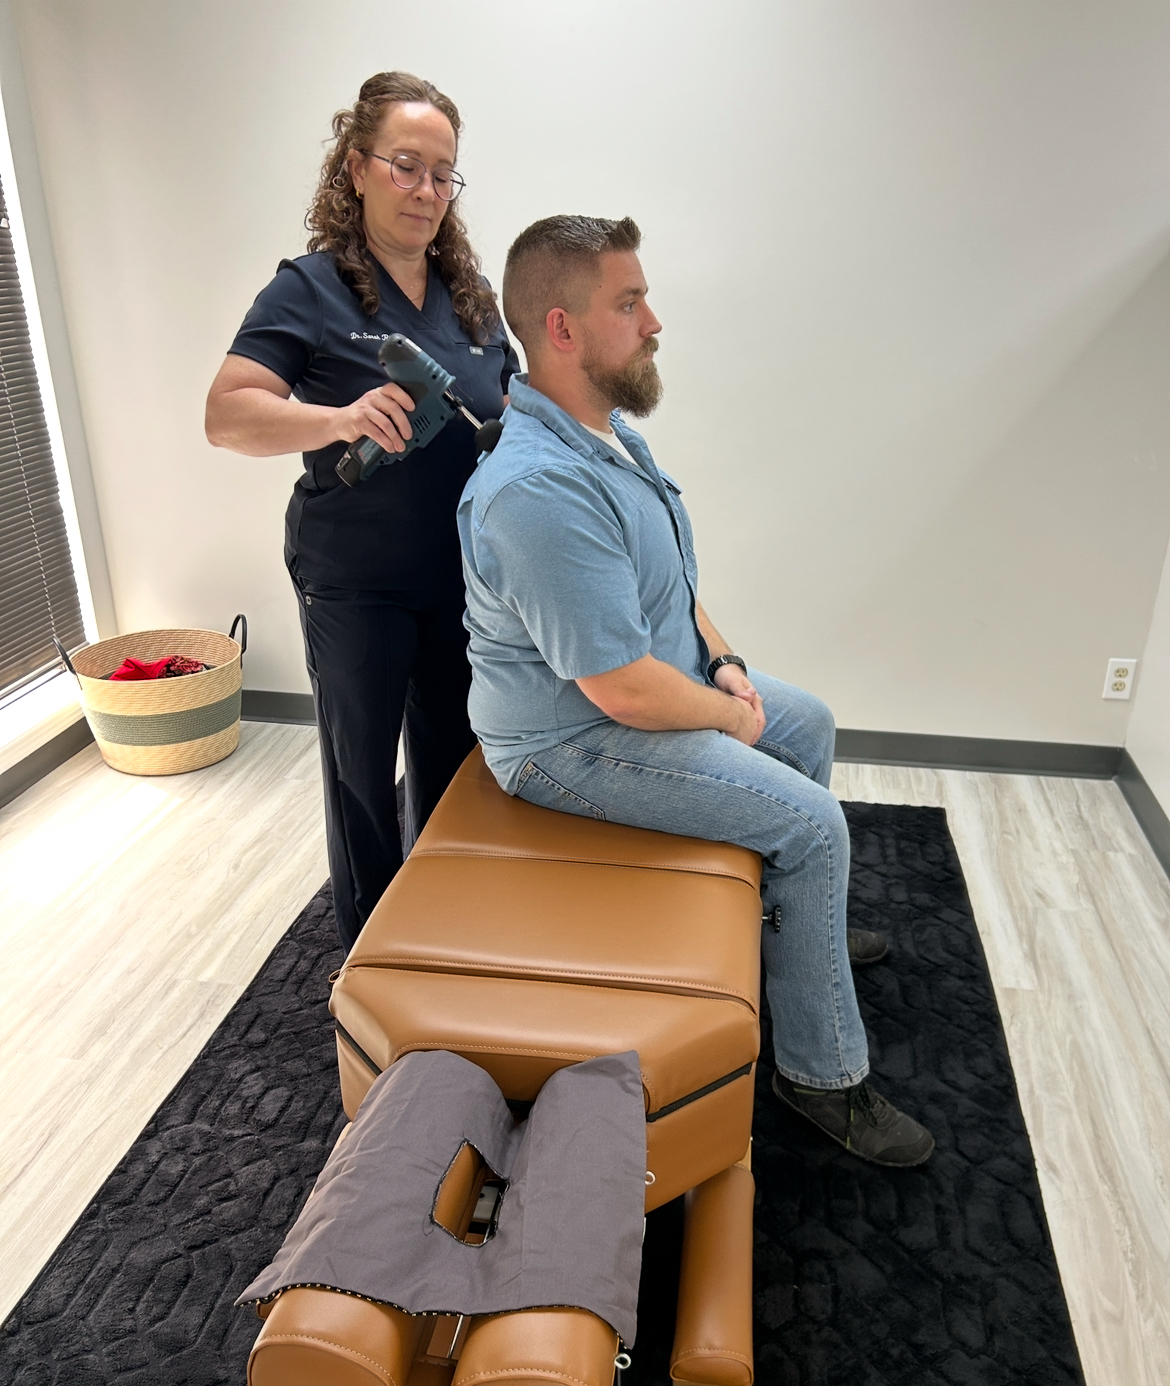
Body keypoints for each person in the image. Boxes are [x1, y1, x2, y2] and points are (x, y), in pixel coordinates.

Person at [457, 215, 934, 1167]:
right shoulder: (536, 491)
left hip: (650, 682)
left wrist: (726, 669)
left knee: (807, 722)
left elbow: (672, 584)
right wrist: (727, 719)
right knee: (812, 825)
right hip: (565, 740)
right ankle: (820, 1076)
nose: (654, 322)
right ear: (562, 329)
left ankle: (797, 933)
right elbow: (623, 692)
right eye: (630, 304)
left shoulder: (608, 437)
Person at [206, 73, 519, 953]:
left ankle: (446, 932)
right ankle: (372, 957)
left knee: (456, 763)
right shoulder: (308, 291)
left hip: (460, 577)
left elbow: (511, 404)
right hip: (355, 579)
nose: (426, 190)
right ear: (356, 168)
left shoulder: (471, 296)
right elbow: (226, 414)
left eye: (443, 174)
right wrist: (338, 419)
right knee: (363, 776)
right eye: (405, 166)